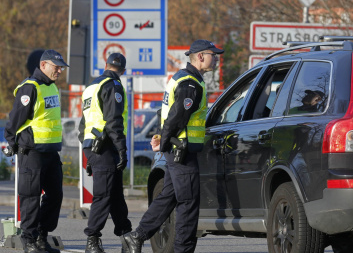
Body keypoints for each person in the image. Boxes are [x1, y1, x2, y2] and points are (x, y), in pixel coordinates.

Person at [121, 39, 224, 253]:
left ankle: (136, 236)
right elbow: (176, 119)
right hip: (182, 152)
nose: (216, 58)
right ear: (201, 56)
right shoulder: (190, 84)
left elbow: (167, 115)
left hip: (176, 150)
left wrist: (162, 140)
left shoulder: (182, 78)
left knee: (168, 197)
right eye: (213, 55)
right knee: (188, 205)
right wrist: (165, 143)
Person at [3, 49, 68, 253]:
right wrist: (12, 142)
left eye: (61, 67)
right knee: (30, 197)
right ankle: (29, 239)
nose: (59, 70)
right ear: (43, 65)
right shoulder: (30, 88)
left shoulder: (52, 88)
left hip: (50, 152)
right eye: (56, 66)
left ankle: (41, 235)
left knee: (55, 195)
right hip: (32, 152)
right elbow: (15, 119)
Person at [78, 53, 132, 253]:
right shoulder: (113, 85)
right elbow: (114, 122)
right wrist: (122, 149)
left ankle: (126, 234)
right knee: (103, 194)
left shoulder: (91, 87)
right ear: (123, 71)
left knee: (115, 193)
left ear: (106, 65)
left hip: (93, 145)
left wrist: (90, 152)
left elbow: (83, 124)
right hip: (106, 146)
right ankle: (92, 238)